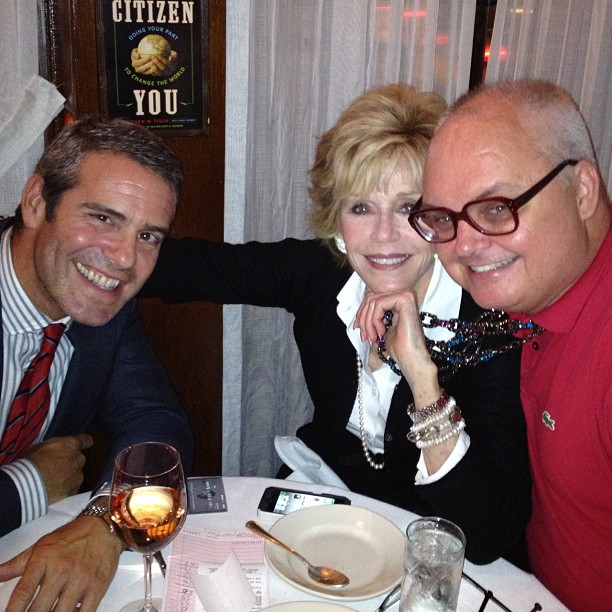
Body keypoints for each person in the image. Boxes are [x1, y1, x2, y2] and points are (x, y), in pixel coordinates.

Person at [142, 84, 532, 565]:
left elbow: (489, 533)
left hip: (425, 534)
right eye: (361, 207)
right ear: (336, 219)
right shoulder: (320, 273)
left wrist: (422, 377)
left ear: (440, 217)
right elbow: (191, 267)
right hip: (324, 504)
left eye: (408, 208)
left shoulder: (488, 325)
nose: (383, 235)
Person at [410, 79, 611, 611]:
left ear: (583, 191)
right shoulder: (532, 295)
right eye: (444, 218)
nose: (465, 246)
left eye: (497, 208)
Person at [0, 115, 194, 611]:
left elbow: (155, 420)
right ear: (36, 201)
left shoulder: (104, 307)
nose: (125, 258)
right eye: (103, 219)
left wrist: (107, 516)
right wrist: (27, 486)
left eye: (148, 236)